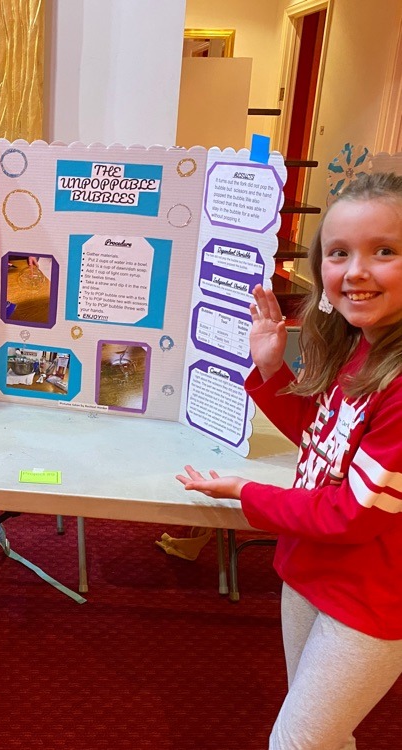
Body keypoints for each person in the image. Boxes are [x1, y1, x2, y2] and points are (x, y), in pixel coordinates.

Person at [177, 171, 402, 750]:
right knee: (325, 738)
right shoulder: (362, 347)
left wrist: (245, 493)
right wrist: (275, 370)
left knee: (297, 743)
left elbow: (352, 512)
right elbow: (325, 442)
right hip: (312, 573)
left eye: (384, 251)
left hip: (369, 599)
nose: (355, 271)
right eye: (339, 252)